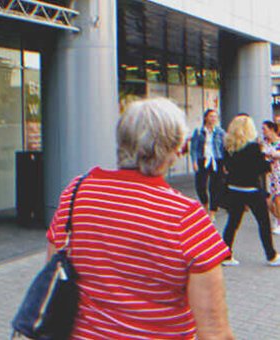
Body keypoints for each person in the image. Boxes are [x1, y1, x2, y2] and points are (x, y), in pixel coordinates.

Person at [47, 98, 233, 339]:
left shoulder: (77, 192)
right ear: (175, 150)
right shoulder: (187, 218)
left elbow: (53, 269)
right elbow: (214, 331)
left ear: (122, 141)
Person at [221, 114, 280, 266]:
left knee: (232, 223)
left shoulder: (229, 146)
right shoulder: (253, 147)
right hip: (251, 190)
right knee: (263, 223)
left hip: (234, 189)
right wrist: (268, 162)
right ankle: (271, 255)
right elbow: (261, 168)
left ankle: (226, 255)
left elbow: (227, 167)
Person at [190, 109, 226, 220]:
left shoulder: (220, 132)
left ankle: (212, 212)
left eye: (215, 116)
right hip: (203, 159)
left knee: (215, 187)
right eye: (211, 116)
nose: (213, 119)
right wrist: (195, 161)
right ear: (206, 118)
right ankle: (205, 206)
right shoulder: (199, 131)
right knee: (200, 185)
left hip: (217, 160)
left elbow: (224, 148)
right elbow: (194, 148)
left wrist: (225, 164)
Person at [262, 120, 280, 234]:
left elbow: (273, 154)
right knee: (268, 201)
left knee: (278, 199)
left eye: (265, 129)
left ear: (272, 129)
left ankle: (278, 222)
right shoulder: (265, 144)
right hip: (268, 174)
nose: (263, 132)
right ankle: (277, 218)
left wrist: (272, 154)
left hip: (278, 174)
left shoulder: (278, 143)